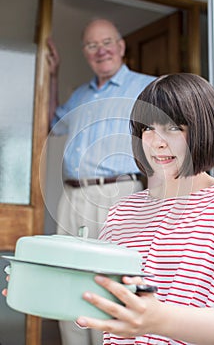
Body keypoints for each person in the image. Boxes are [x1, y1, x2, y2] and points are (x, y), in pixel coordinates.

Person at [74, 73, 214, 345]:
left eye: (173, 127)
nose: (157, 141)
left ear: (206, 128)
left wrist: (159, 319)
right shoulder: (121, 212)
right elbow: (96, 299)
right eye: (148, 128)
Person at [47, 18, 155, 345]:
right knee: (67, 280)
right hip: (73, 196)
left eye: (107, 42)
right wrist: (51, 77)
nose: (101, 50)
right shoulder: (79, 95)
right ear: (85, 52)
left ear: (121, 47)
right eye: (92, 45)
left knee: (110, 283)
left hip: (121, 192)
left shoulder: (147, 86)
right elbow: (53, 122)